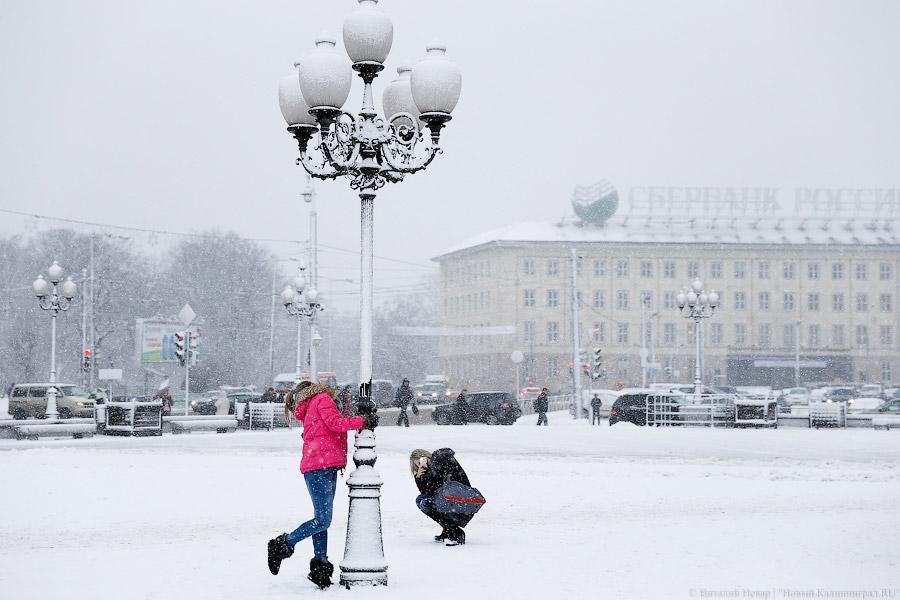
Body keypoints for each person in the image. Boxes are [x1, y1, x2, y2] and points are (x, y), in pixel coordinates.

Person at [267, 381, 377, 589]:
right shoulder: (322, 399)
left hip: (322, 466)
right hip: (320, 466)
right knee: (323, 520)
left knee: (320, 518)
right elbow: (336, 423)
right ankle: (282, 545)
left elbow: (326, 428)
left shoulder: (311, 404)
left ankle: (320, 567)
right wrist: (362, 420)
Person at [410, 448, 472, 546]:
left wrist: (427, 474)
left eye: (421, 461)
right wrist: (418, 478)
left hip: (462, 498)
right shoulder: (430, 468)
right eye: (417, 464)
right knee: (421, 500)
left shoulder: (440, 459)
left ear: (425, 457)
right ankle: (448, 529)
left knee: (426, 502)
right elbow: (426, 492)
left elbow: (436, 483)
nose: (420, 465)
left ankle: (456, 532)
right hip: (450, 497)